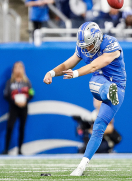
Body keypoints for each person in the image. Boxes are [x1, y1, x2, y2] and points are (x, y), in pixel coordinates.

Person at [43, 22, 126, 176]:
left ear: (97, 38)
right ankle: (81, 167)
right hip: (104, 88)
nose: (87, 49)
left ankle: (108, 91)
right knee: (97, 124)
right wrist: (52, 72)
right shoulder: (84, 47)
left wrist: (75, 73)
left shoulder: (110, 44)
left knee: (98, 124)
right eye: (84, 45)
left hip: (117, 87)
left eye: (89, 45)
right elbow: (67, 63)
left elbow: (95, 66)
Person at [2, 62, 34, 155]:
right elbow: (6, 95)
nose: (18, 69)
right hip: (13, 108)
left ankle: (20, 150)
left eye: (20, 67)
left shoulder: (27, 82)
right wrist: (14, 101)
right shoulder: (10, 82)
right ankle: (6, 149)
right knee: (10, 127)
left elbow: (32, 93)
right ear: (13, 70)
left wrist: (25, 101)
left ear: (23, 69)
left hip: (24, 107)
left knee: (22, 128)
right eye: (16, 67)